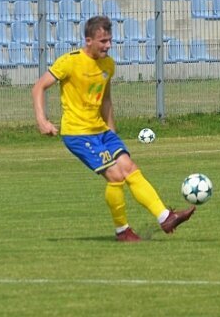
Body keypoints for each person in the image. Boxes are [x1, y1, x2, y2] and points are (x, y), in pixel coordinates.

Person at [31, 16, 195, 242]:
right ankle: (122, 231)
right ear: (88, 40)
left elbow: (105, 99)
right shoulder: (69, 62)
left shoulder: (108, 65)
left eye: (110, 40)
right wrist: (42, 120)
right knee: (116, 175)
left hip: (102, 131)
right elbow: (39, 87)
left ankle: (165, 217)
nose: (108, 46)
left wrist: (112, 132)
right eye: (103, 41)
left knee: (129, 167)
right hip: (78, 134)